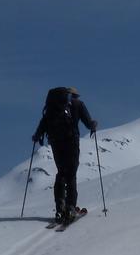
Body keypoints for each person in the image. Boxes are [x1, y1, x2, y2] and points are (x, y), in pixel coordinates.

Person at [33, 86, 98, 222]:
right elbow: (88, 122)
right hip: (71, 142)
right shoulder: (78, 105)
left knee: (61, 172)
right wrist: (93, 124)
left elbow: (44, 122)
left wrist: (37, 135)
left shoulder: (52, 107)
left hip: (56, 143)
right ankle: (70, 208)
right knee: (71, 174)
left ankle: (60, 207)